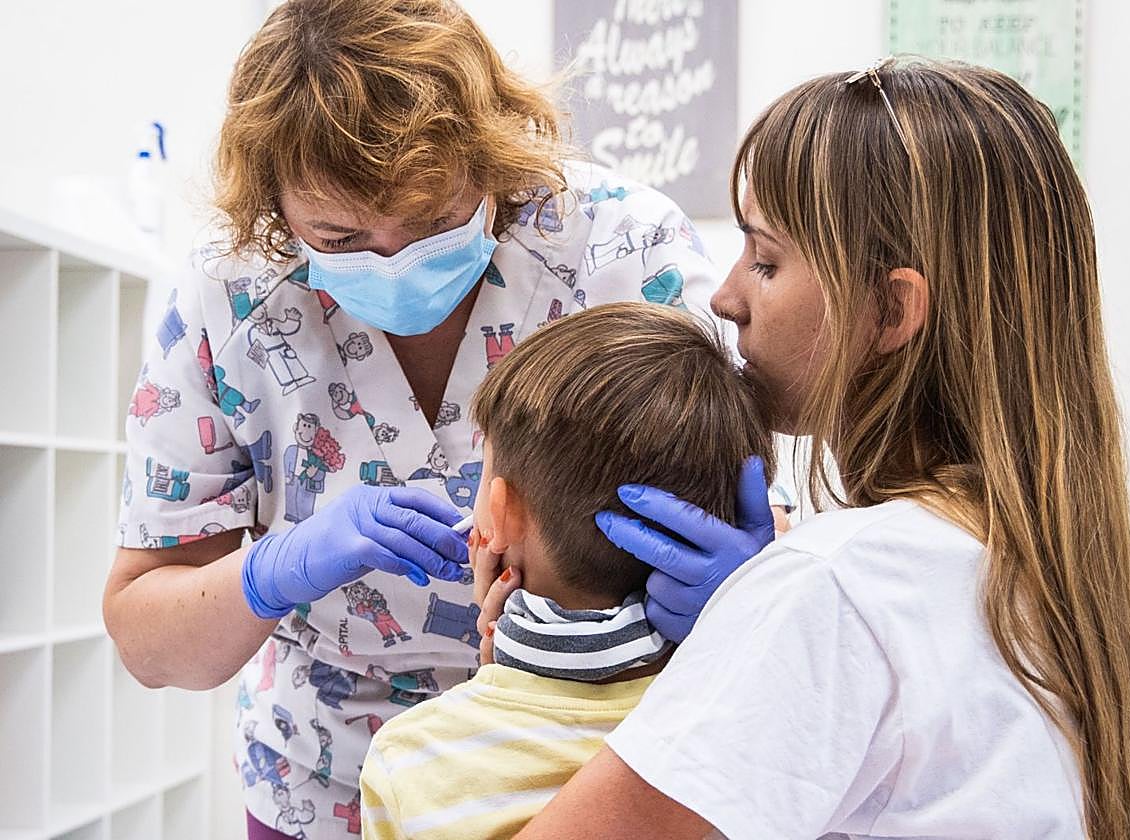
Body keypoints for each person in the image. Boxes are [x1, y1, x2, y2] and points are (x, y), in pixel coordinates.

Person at [485, 59, 1130, 838]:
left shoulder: (836, 585)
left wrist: (508, 692)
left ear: (890, 307)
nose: (726, 297)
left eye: (767, 260)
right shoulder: (1030, 564)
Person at [100, 1, 723, 836]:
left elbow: (746, 510)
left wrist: (735, 595)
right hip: (327, 779)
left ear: (491, 156)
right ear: (277, 211)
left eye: (433, 221)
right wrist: (273, 571)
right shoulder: (230, 296)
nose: (395, 263)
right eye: (341, 234)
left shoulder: (621, 249)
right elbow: (148, 640)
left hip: (593, 769)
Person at [356, 302, 776, 840]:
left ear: (499, 516)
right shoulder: (745, 726)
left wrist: (501, 677)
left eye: (483, 474)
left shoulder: (411, 758)